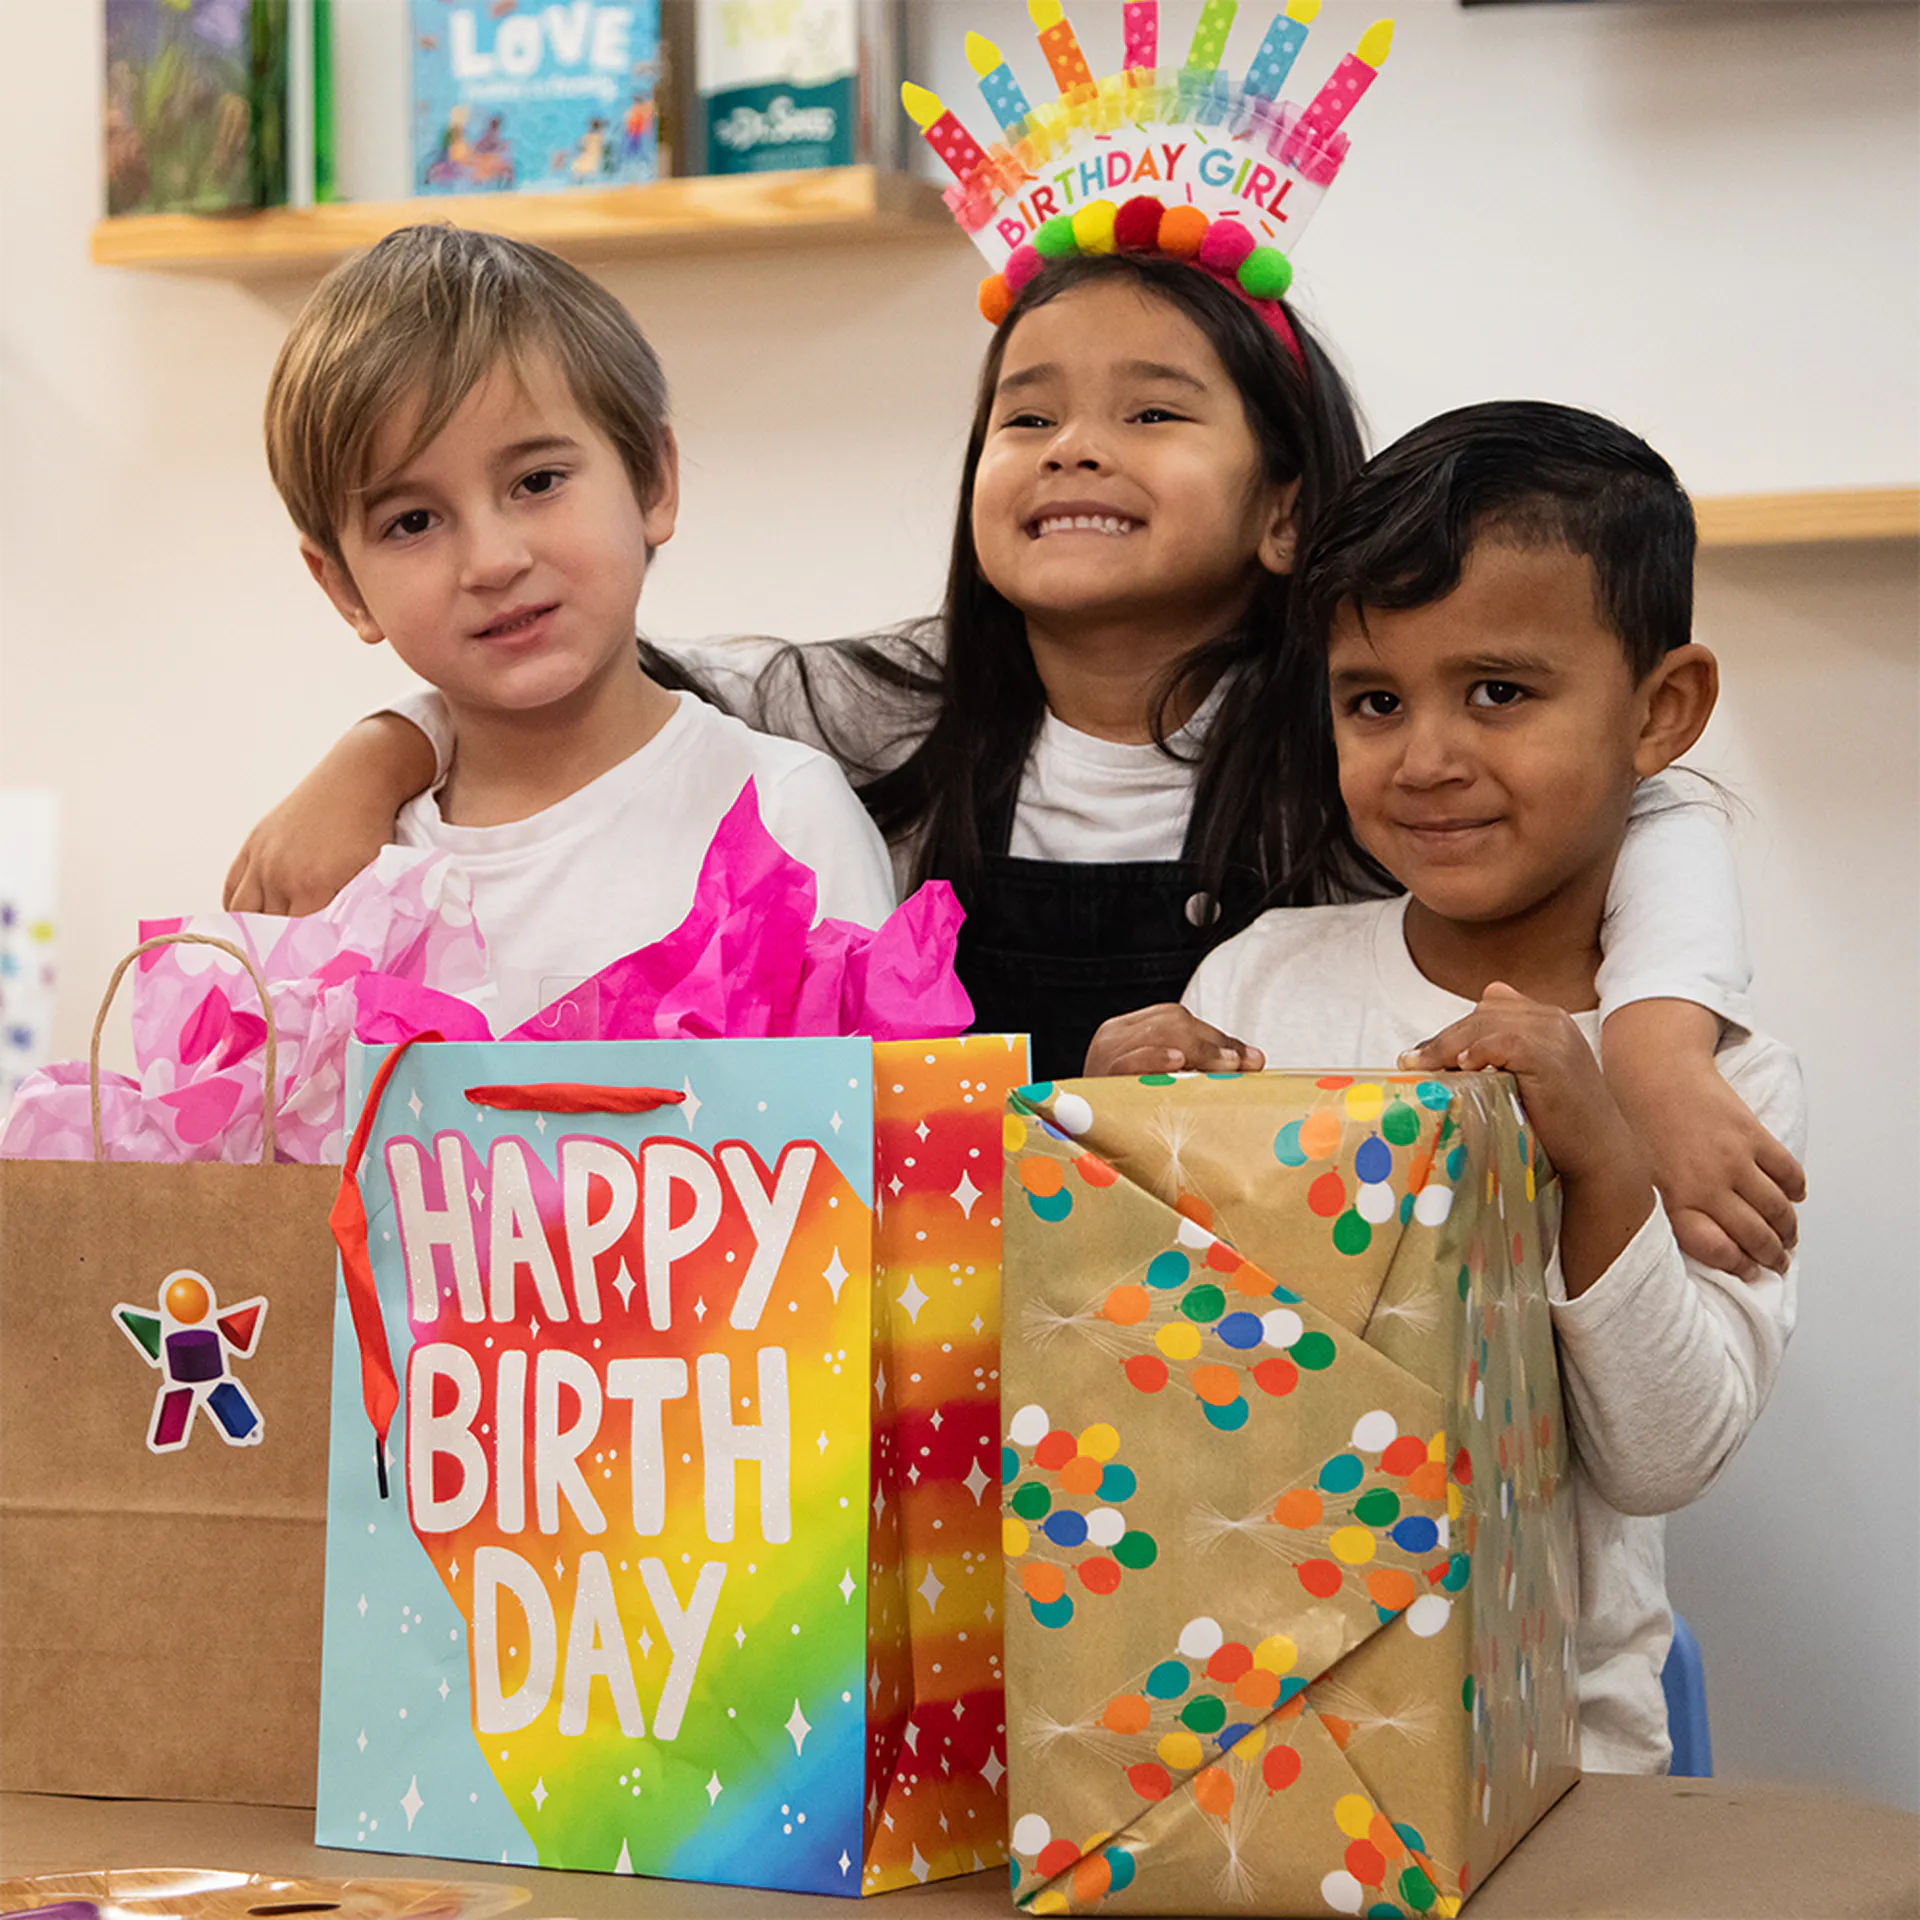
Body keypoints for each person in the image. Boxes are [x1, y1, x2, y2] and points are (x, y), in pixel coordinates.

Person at [230, 226, 1797, 1275]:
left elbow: (1646, 806)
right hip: (968, 1329)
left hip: (1264, 1334)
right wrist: (381, 744)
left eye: (1154, 414)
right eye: (1026, 415)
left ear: (1286, 508)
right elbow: (569, 673)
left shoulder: (1356, 725)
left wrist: (1657, 1043)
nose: (1075, 447)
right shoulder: (869, 717)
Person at [1091, 400, 1800, 1772]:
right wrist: (1113, 1137)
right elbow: (1162, 1378)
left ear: (1662, 710)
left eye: (1499, 692)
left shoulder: (1718, 1088)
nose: (1426, 757)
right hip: (1251, 1734)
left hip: (1566, 1764)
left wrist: (1604, 1156)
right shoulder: (1264, 979)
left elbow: (1663, 1458)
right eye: (1375, 701)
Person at [261, 223, 895, 1032]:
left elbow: (883, 1131)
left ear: (652, 481)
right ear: (343, 587)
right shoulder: (348, 870)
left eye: (538, 481)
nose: (491, 560)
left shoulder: (784, 816)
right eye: (413, 520)